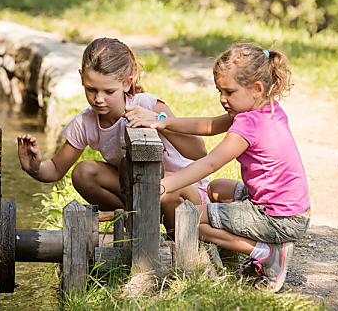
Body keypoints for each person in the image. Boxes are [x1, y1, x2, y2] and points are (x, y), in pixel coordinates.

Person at [127, 43, 310, 292]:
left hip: (278, 218)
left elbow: (210, 162)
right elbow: (210, 125)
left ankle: (266, 253)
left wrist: (163, 186)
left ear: (256, 89)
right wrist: (163, 122)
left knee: (189, 219)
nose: (222, 99)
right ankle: (238, 251)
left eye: (229, 92)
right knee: (216, 189)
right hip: (289, 209)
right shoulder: (265, 108)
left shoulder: (248, 125)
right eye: (219, 91)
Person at [17, 37, 209, 235]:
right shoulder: (86, 123)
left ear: (127, 83)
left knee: (159, 189)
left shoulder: (149, 105)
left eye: (109, 91)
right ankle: (131, 222)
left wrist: (159, 121)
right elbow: (56, 169)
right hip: (140, 188)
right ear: (82, 78)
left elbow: (199, 151)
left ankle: (177, 238)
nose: (98, 99)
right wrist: (34, 167)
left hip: (184, 190)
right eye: (91, 90)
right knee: (83, 172)